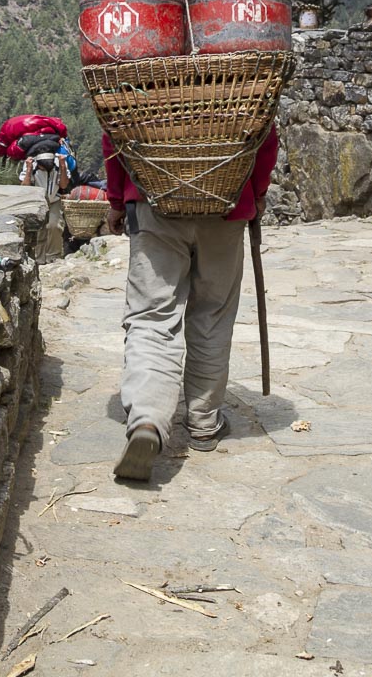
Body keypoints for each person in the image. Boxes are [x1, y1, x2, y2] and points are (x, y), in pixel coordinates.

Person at [104, 125, 278, 481]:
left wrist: (117, 201)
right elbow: (265, 135)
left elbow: (114, 137)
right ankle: (203, 422)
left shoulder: (137, 71)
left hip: (153, 201)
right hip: (227, 204)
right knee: (212, 314)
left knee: (152, 317)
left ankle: (148, 420)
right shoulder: (240, 75)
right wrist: (256, 193)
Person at [20, 144, 71, 263]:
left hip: (54, 200)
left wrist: (63, 166)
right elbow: (24, 188)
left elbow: (63, 185)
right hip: (36, 201)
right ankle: (38, 259)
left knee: (55, 226)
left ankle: (53, 257)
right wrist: (28, 170)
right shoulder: (31, 164)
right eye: (42, 168)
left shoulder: (59, 163)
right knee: (38, 229)